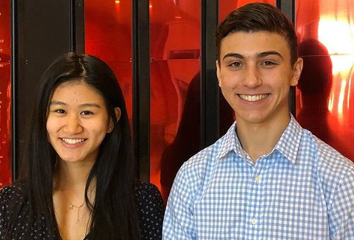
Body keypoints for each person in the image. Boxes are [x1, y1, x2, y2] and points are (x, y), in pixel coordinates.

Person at [163, 3, 354, 239]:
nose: (251, 80)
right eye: (235, 64)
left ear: (295, 71)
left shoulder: (340, 181)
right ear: (220, 74)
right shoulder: (193, 177)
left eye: (268, 62)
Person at [0, 52, 164, 240]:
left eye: (87, 112)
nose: (72, 128)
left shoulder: (143, 202)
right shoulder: (11, 202)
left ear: (112, 119)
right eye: (60, 111)